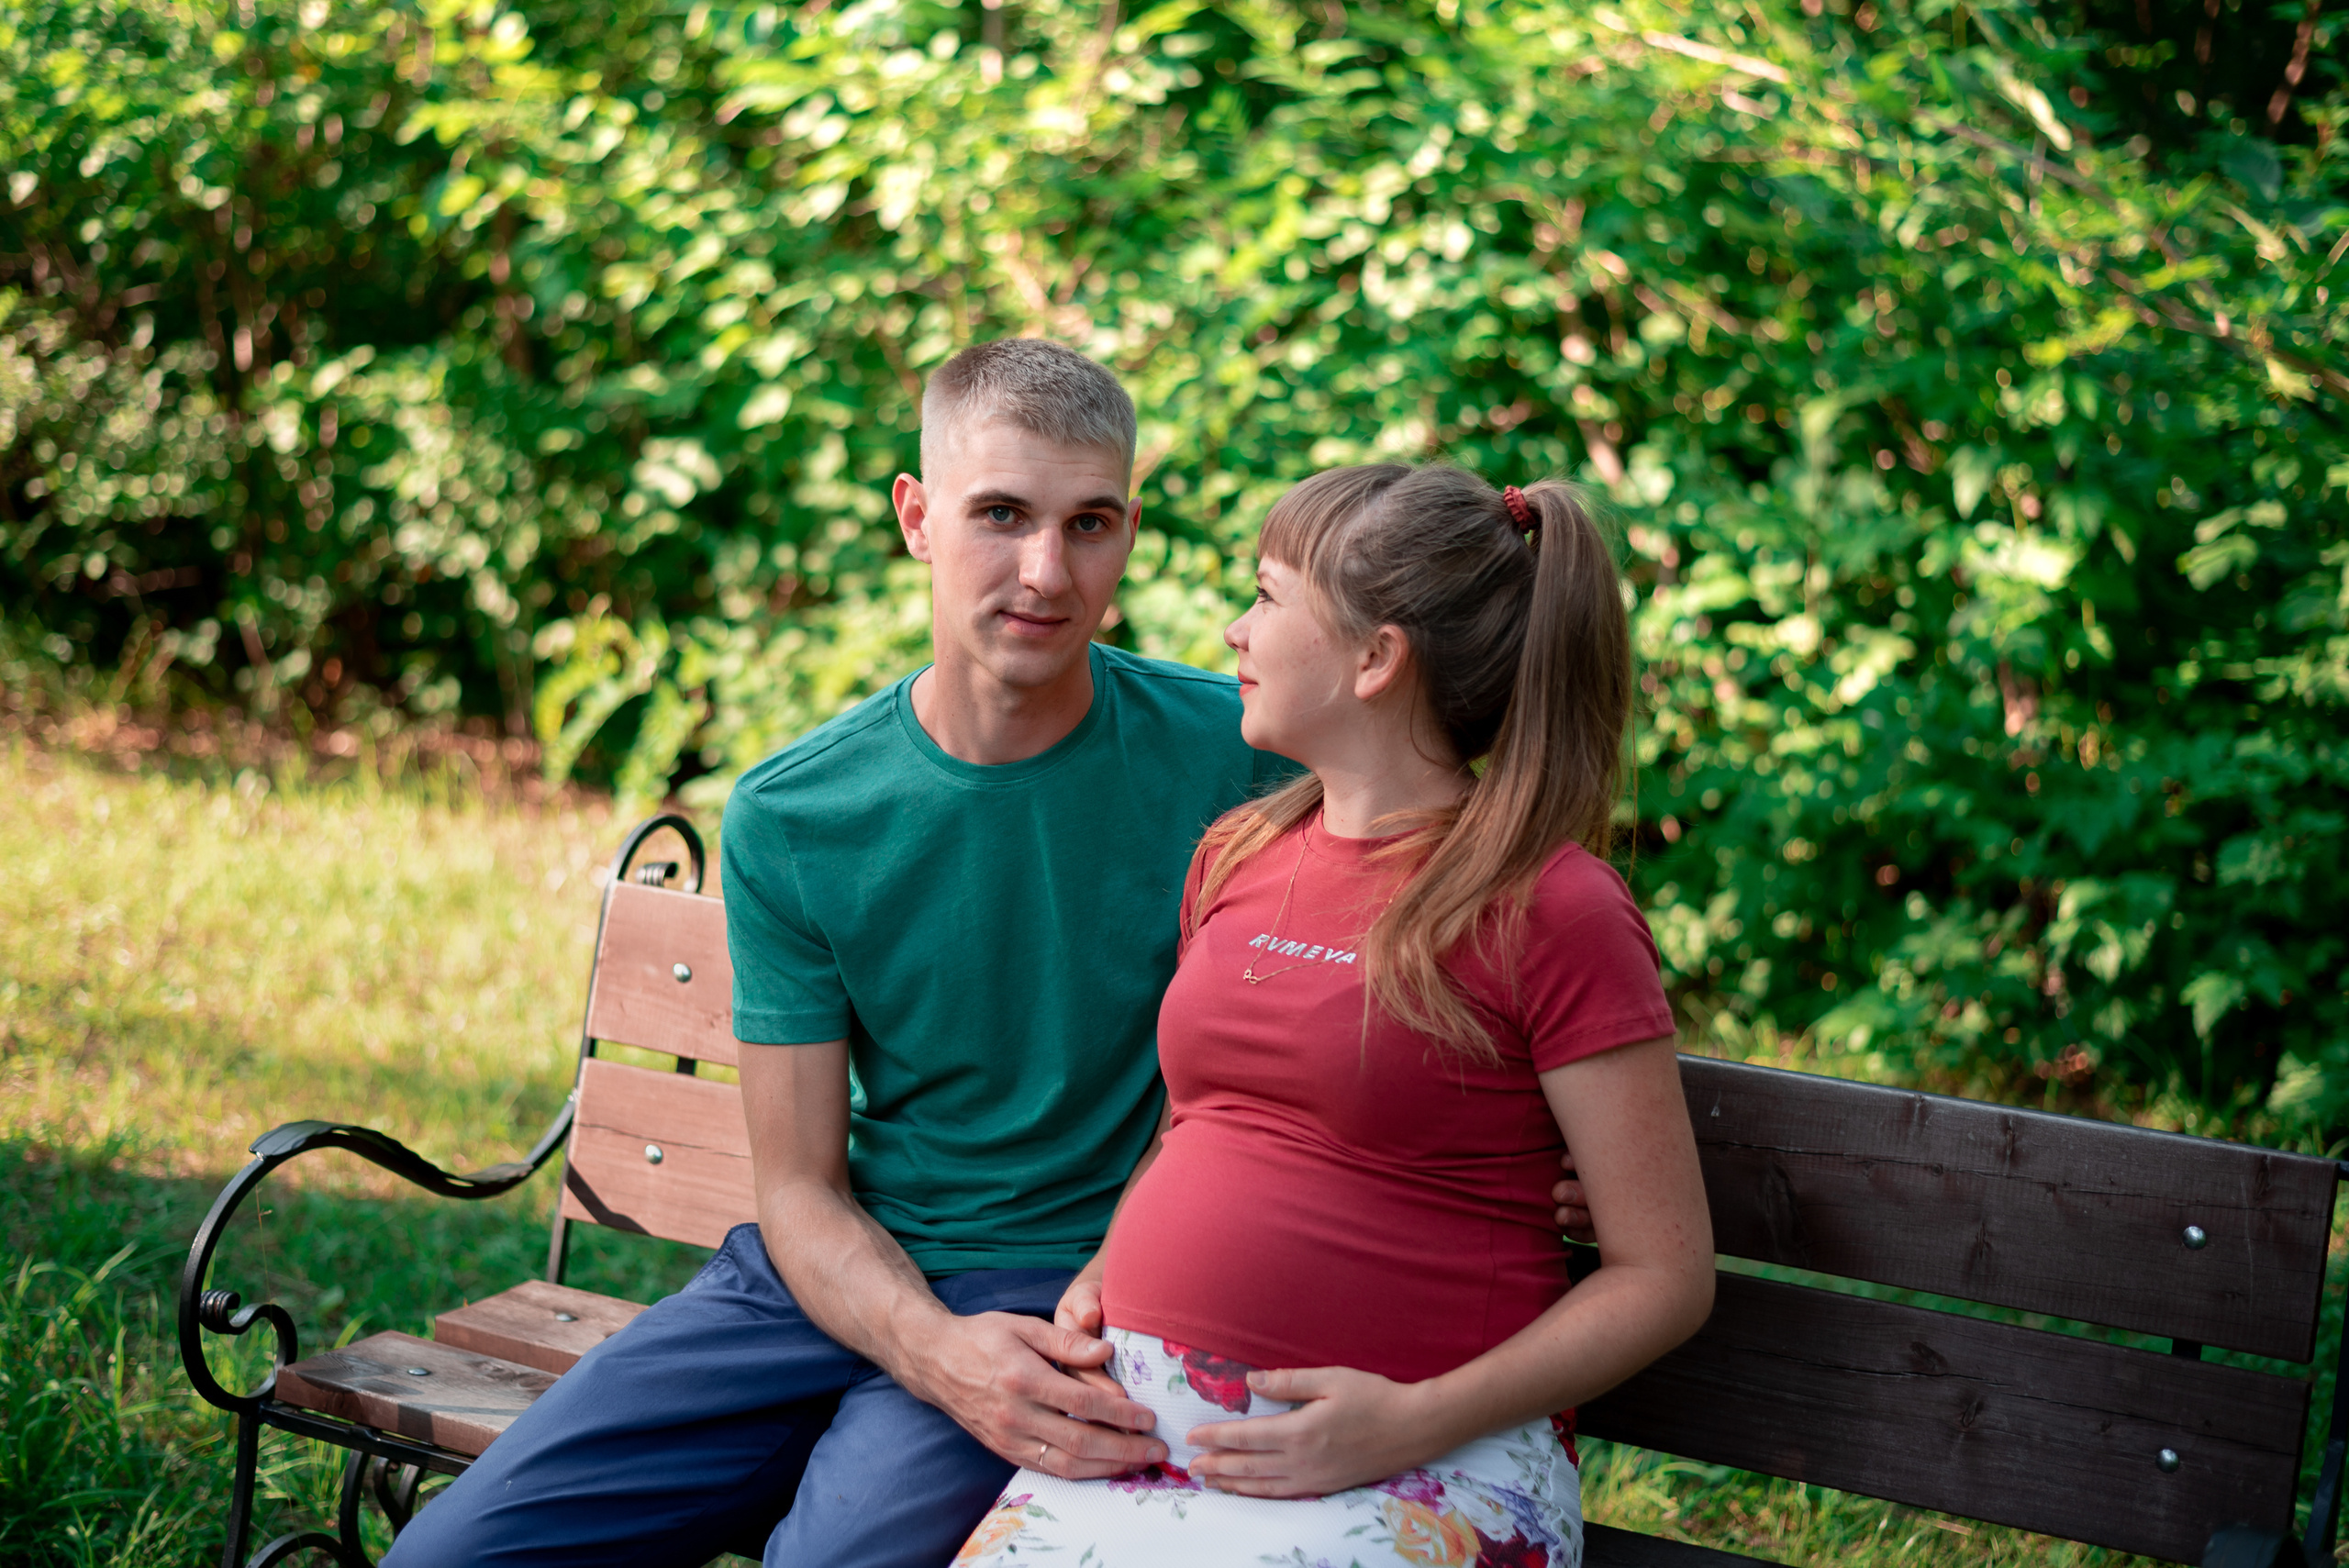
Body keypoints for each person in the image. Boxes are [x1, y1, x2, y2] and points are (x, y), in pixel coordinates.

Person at [382, 343, 1591, 1568]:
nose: (1045, 572)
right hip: (820, 1280)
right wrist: (926, 1348)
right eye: (1000, 515)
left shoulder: (1250, 763)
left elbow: (1494, 903)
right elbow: (798, 1188)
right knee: (449, 1556)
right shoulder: (800, 813)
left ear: (1131, 531)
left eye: (1091, 523)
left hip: (1067, 1303)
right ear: (916, 516)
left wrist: (1543, 1142)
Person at [952, 464, 1715, 1568]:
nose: (1232, 628)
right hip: (1150, 1427)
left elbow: (1664, 1274)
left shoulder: (1551, 905)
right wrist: (1111, 1263)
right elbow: (1200, 1121)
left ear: (1375, 657)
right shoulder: (1239, 851)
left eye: (1265, 597)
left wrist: (1417, 1418)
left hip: (1423, 1454)